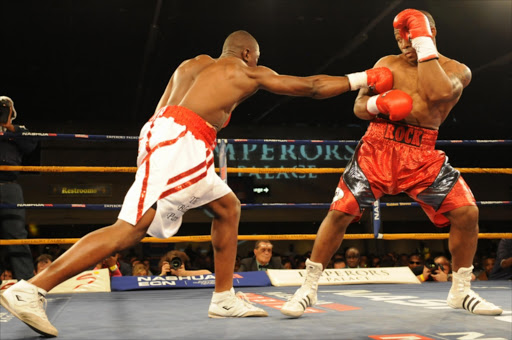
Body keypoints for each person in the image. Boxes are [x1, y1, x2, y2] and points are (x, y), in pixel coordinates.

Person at [0, 30, 393, 336]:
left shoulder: (190, 64)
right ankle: (33, 288)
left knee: (227, 207)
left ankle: (223, 297)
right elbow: (310, 87)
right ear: (247, 53)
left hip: (168, 133)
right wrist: (365, 78)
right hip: (181, 141)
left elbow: (162, 115)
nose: (258, 66)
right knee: (130, 229)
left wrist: (172, 143)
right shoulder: (246, 70)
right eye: (257, 59)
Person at [281, 10, 502, 318]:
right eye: (399, 38)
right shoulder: (386, 64)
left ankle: (461, 290)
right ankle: (307, 287)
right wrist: (377, 104)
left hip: (422, 153)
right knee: (340, 212)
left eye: (410, 36)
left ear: (428, 33)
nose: (403, 44)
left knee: (467, 213)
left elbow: (438, 92)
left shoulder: (457, 70)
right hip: (377, 146)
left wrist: (422, 45)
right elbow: (359, 107)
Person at [0, 96, 37, 282]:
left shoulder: (19, 130)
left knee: (16, 235)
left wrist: (9, 128)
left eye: (5, 108)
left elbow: (31, 145)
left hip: (9, 186)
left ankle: (27, 283)